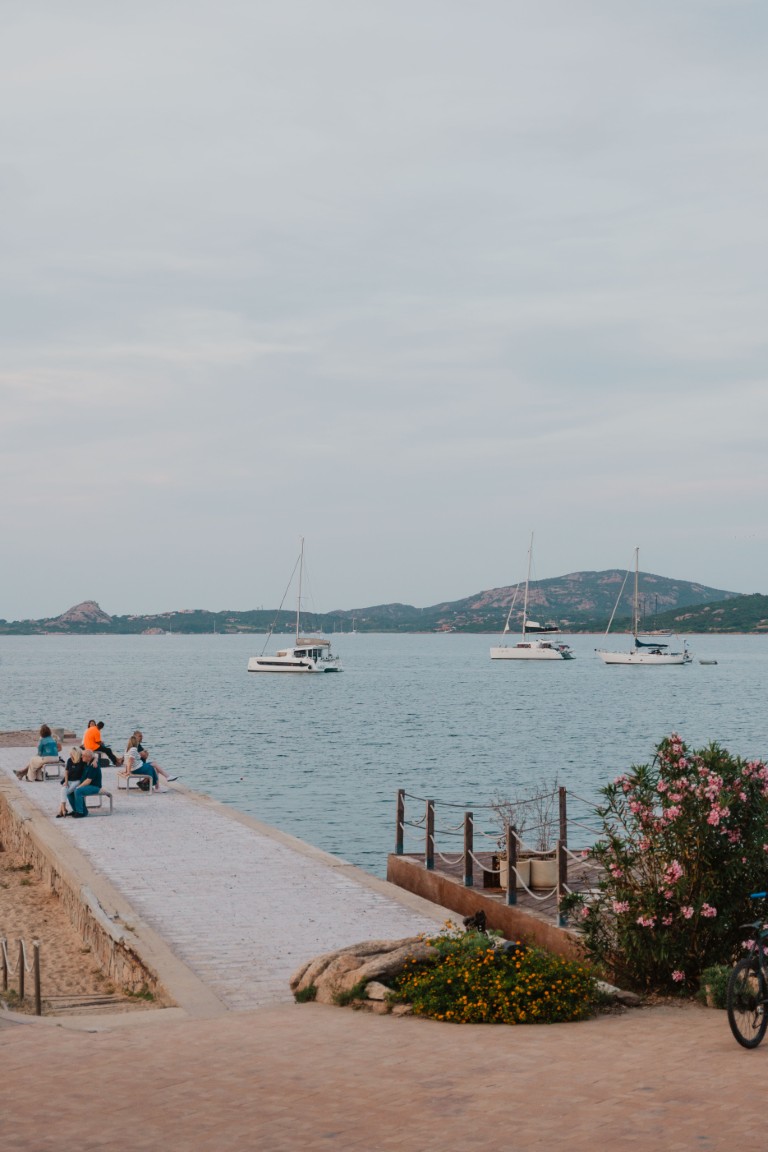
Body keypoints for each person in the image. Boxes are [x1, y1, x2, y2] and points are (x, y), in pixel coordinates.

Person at [57, 748, 93, 817]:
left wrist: (95, 760)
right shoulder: (69, 760)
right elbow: (66, 771)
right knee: (63, 790)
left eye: (72, 753)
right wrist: (66, 782)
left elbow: (92, 757)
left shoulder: (82, 760)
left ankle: (61, 810)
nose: (70, 754)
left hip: (77, 781)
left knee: (67, 792)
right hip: (69, 780)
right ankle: (63, 809)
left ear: (76, 754)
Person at [68, 752, 103, 818]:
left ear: (88, 757)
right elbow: (94, 756)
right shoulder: (86, 762)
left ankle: (81, 812)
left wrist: (78, 786)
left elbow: (88, 781)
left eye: (83, 756)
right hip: (86, 785)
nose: (81, 757)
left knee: (78, 791)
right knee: (69, 792)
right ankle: (76, 810)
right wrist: (95, 759)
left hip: (94, 786)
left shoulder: (93, 766)